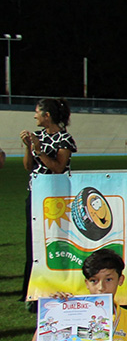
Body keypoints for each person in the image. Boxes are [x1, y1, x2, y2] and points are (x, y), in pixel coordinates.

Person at [22, 97, 76, 304]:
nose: (34, 116)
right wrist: (28, 147)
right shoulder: (38, 137)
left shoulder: (64, 139)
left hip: (56, 198)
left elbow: (58, 168)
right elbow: (29, 166)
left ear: (47, 115)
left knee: (54, 242)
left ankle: (56, 286)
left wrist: (39, 150)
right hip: (35, 196)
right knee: (32, 243)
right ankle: (30, 290)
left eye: (37, 112)